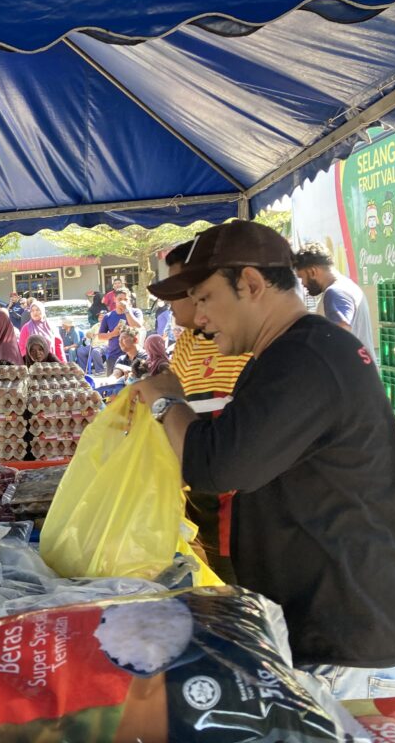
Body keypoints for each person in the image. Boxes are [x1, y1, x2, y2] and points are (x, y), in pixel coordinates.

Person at [136, 219, 395, 699]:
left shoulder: (306, 356)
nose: (198, 317)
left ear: (250, 284)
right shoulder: (291, 353)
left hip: (344, 637)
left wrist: (167, 402)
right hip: (326, 624)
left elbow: (214, 465)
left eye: (204, 298)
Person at [160, 239, 253, 583]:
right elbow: (178, 402)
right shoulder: (187, 342)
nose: (169, 303)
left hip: (234, 512)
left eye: (182, 291)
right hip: (198, 502)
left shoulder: (239, 345)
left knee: (233, 586)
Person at [293, 242, 376, 358]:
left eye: (301, 277)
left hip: (350, 374)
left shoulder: (334, 293)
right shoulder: (347, 286)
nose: (303, 284)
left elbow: (340, 333)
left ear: (312, 272)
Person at [99, 289, 144, 374]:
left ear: (129, 300)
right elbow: (100, 336)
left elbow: (137, 326)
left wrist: (127, 310)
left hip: (133, 356)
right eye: (120, 299)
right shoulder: (108, 316)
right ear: (115, 300)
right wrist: (113, 334)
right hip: (114, 356)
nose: (123, 302)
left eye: (126, 299)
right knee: (112, 384)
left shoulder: (135, 312)